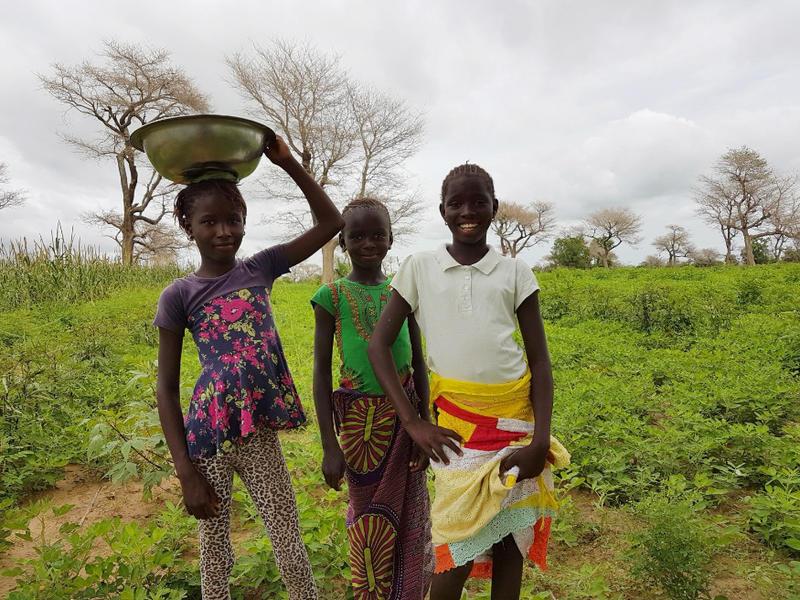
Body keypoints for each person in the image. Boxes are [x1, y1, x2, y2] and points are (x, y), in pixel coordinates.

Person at [368, 164, 570, 600]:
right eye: (456, 203)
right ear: (442, 211)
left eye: (479, 201)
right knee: (455, 548)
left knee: (509, 543)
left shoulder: (515, 272)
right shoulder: (419, 268)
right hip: (458, 431)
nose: (468, 211)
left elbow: (539, 361)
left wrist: (540, 441)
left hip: (516, 423)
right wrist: (413, 422)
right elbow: (378, 347)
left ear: (494, 208)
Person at [154, 136, 343, 600]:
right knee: (214, 546)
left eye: (233, 220)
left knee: (286, 535)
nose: (224, 231)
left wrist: (288, 163)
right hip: (207, 437)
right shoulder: (179, 295)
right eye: (209, 221)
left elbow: (332, 222)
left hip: (256, 433)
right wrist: (185, 471)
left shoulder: (261, 267)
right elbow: (165, 389)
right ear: (188, 226)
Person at [311, 197, 433, 599]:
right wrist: (330, 445)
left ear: (391, 239)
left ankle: (410, 590)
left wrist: (424, 422)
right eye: (357, 235)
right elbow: (322, 371)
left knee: (412, 515)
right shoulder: (331, 296)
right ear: (342, 242)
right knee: (367, 517)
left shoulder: (405, 291)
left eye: (377, 234)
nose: (368, 243)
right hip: (359, 428)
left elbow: (418, 359)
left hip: (407, 419)